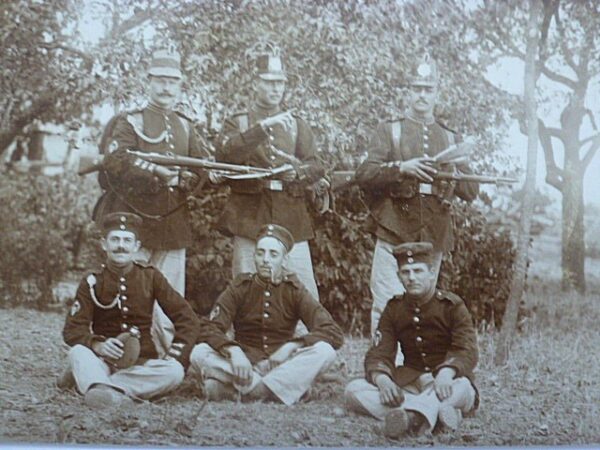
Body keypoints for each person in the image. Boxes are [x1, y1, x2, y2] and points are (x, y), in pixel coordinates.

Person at [94, 48, 209, 354]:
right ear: (148, 82)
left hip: (172, 223)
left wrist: (185, 179)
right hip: (134, 221)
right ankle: (122, 354)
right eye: (160, 80)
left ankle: (168, 358)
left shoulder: (185, 126)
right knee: (129, 291)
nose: (166, 88)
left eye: (172, 81)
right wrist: (156, 172)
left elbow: (200, 170)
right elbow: (116, 162)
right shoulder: (129, 121)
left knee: (170, 296)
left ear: (180, 85)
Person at [355, 53, 479, 335]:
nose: (422, 95)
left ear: (437, 93)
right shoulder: (390, 130)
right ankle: (384, 368)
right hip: (393, 229)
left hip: (432, 234)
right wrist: (402, 168)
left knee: (424, 305)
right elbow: (364, 174)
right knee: (386, 304)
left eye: (428, 89)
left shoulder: (449, 137)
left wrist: (455, 165)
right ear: (408, 92)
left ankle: (416, 370)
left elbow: (472, 191)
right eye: (417, 89)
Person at [62, 212, 207, 409]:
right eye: (115, 239)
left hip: (141, 363)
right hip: (103, 360)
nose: (121, 245)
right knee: (78, 352)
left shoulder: (150, 277)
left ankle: (99, 387)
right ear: (104, 244)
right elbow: (73, 330)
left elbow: (188, 319)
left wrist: (174, 355)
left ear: (136, 246)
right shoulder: (92, 281)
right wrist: (97, 345)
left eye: (127, 240)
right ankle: (110, 389)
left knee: (174, 372)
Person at [215, 44, 325, 302]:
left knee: (303, 292)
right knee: (246, 291)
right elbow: (224, 156)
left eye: (280, 83)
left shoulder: (297, 124)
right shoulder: (239, 122)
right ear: (256, 83)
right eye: (269, 82)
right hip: (250, 217)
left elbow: (317, 164)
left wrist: (297, 174)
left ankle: (308, 341)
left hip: (291, 218)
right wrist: (262, 128)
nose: (276, 89)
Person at [190, 224, 344, 405]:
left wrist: (292, 346)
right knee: (199, 352)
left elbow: (332, 331)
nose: (265, 260)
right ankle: (279, 390)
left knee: (325, 351)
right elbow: (209, 327)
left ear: (284, 260)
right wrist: (233, 351)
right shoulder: (240, 287)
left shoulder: (294, 290)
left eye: (273, 254)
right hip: (244, 365)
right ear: (254, 256)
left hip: (281, 365)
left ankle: (245, 391)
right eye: (260, 253)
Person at [344, 242, 478, 438]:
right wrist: (382, 380)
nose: (412, 277)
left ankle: (410, 417)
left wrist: (446, 373)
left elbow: (466, 349)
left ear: (432, 273)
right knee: (353, 390)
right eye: (405, 272)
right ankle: (436, 414)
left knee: (463, 387)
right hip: (411, 384)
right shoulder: (394, 308)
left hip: (449, 383)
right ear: (399, 276)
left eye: (418, 271)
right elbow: (379, 351)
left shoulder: (452, 306)